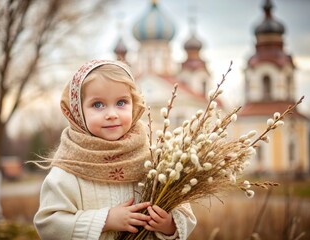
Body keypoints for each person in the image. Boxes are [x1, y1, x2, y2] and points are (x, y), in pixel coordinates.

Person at [33, 60, 197, 240]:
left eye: (121, 102)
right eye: (97, 105)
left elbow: (184, 210)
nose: (112, 114)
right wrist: (105, 220)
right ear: (78, 112)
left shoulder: (153, 158)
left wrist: (169, 225)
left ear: (134, 105)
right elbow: (48, 225)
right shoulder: (70, 165)